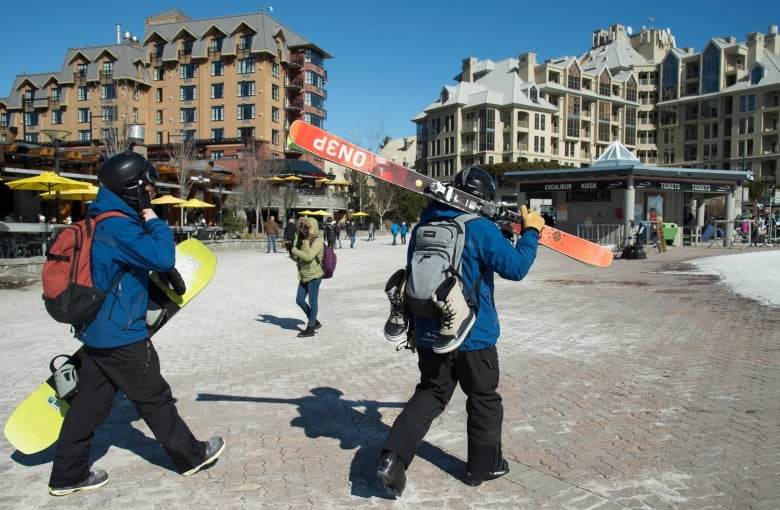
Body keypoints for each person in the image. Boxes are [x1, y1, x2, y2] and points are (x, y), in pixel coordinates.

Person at [47, 150, 224, 497]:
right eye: (147, 185)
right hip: (121, 333)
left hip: (98, 331)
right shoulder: (119, 224)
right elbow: (161, 255)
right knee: (154, 397)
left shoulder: (100, 218)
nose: (151, 190)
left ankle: (67, 476)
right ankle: (191, 456)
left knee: (87, 406)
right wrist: (154, 220)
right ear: (131, 187)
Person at [376, 167, 544, 497]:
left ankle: (392, 460)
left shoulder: (424, 224)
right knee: (483, 400)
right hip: (474, 334)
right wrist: (532, 232)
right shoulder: (480, 227)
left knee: (430, 394)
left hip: (428, 332)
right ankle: (483, 467)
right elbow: (516, 267)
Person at [290, 216, 325, 338]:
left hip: (314, 276)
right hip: (304, 275)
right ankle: (314, 320)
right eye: (302, 227)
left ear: (313, 228)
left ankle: (310, 327)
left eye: (306, 227)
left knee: (312, 301)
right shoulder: (303, 240)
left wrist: (295, 250)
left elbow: (309, 257)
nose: (303, 230)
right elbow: (297, 258)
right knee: (299, 300)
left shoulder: (318, 241)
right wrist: (290, 250)